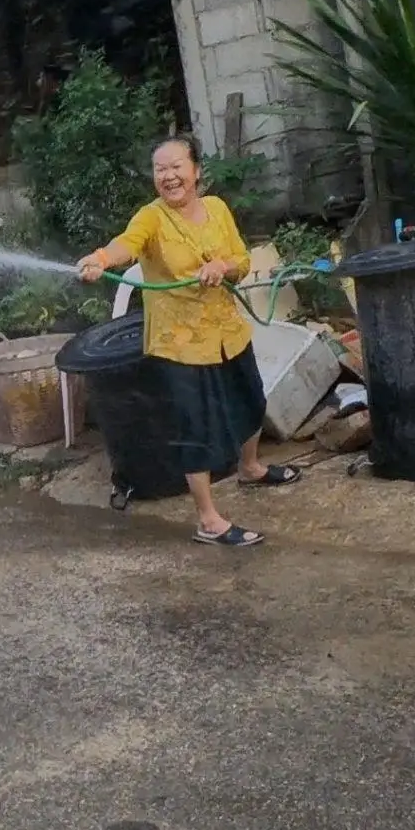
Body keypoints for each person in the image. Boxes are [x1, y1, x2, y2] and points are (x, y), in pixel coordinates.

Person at [77, 135, 300, 548]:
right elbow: (125, 244)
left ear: (197, 170)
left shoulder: (216, 209)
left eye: (176, 166)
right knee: (193, 427)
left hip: (226, 333)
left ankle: (250, 468)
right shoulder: (152, 218)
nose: (168, 176)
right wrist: (101, 260)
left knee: (251, 400)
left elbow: (243, 259)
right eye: (160, 169)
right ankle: (208, 520)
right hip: (179, 343)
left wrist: (223, 265)